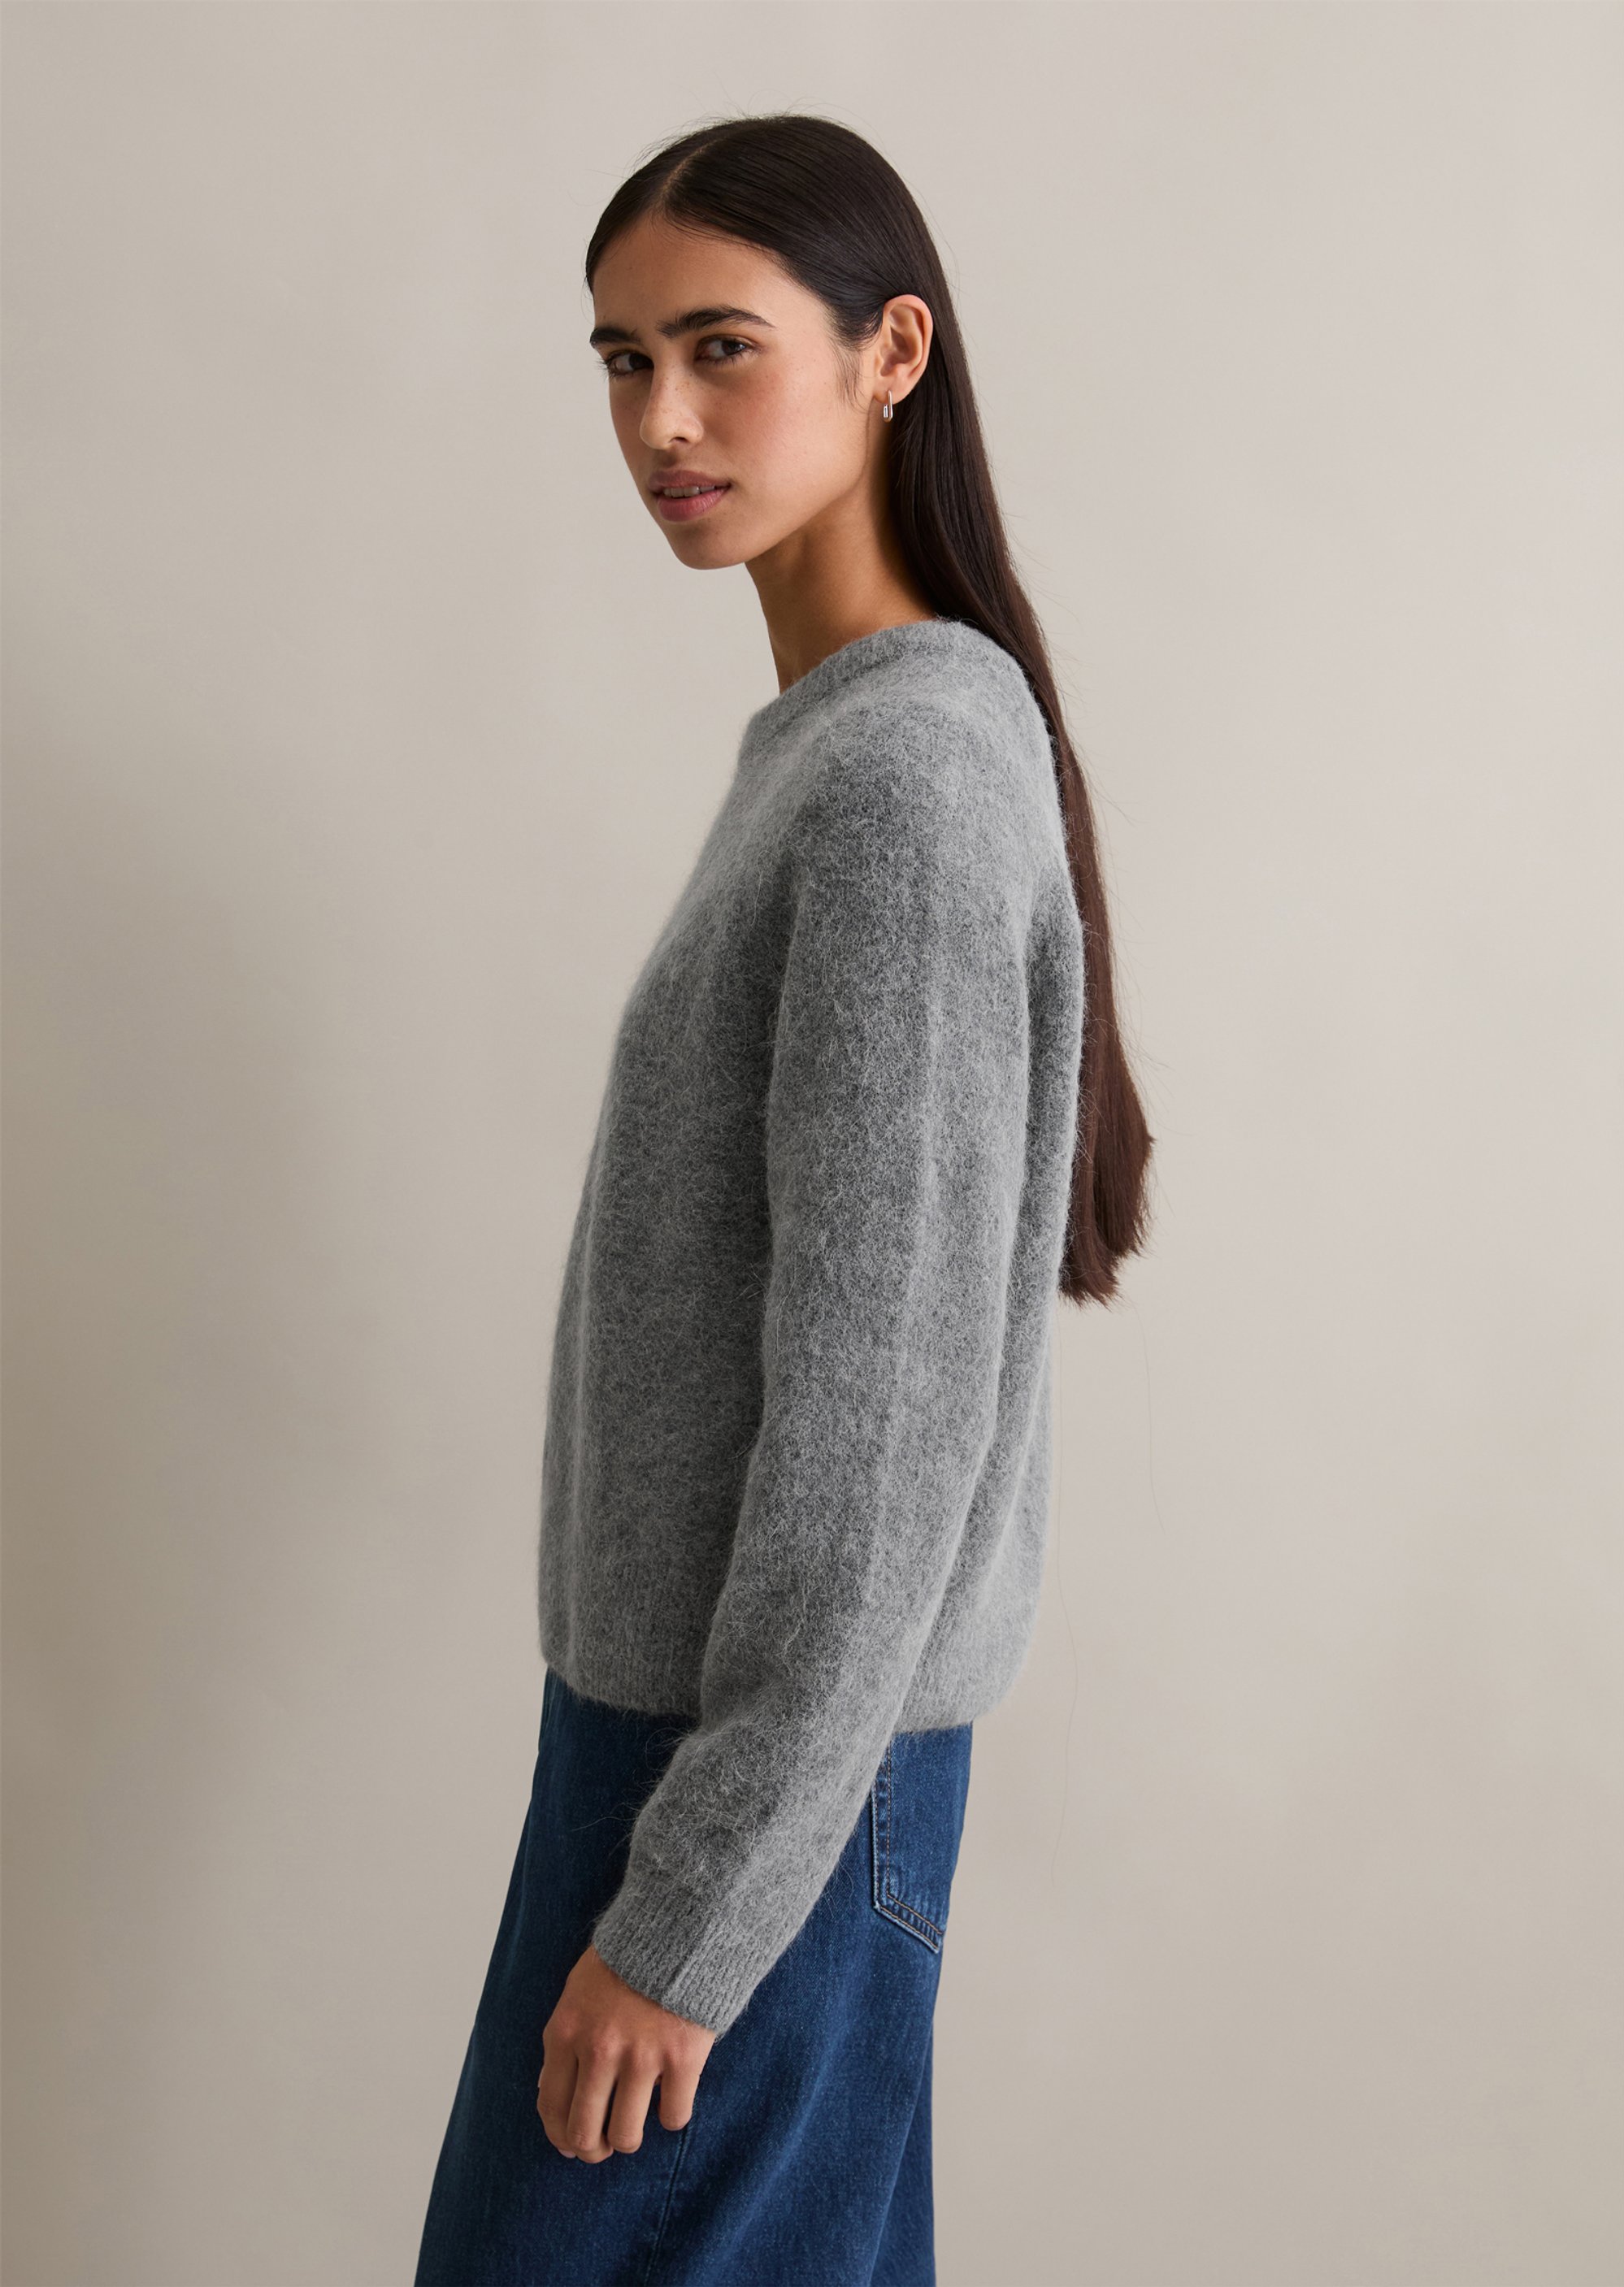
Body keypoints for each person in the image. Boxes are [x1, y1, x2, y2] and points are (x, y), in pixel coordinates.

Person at [413, 111, 1153, 2287]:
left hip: (751, 1795)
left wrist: (697, 1905)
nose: (660, 420)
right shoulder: (848, 752)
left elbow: (881, 1426)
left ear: (890, 352)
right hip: (724, 1768)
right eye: (621, 359)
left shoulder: (904, 782)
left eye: (720, 348)